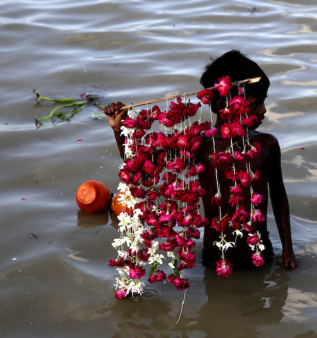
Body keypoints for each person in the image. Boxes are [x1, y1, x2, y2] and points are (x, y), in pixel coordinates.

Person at [105, 50, 297, 270]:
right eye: (254, 104)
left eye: (263, 101)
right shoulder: (199, 146)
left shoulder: (267, 145)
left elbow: (279, 196)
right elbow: (137, 166)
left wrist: (287, 249)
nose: (263, 110)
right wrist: (118, 128)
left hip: (260, 252)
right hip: (215, 257)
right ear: (220, 107)